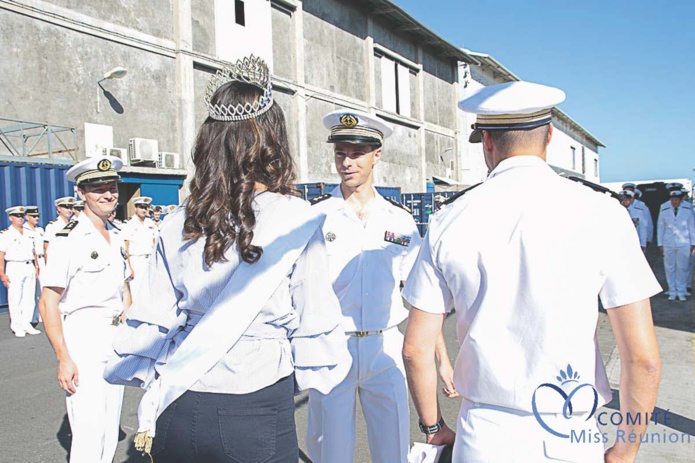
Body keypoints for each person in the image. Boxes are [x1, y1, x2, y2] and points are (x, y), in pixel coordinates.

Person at [104, 55, 351, 462]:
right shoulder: (296, 219)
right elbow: (315, 319)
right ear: (272, 138)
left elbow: (153, 315)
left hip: (179, 404)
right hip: (253, 408)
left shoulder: (179, 219)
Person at [402, 81, 662, 463]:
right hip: (569, 433)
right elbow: (643, 360)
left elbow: (415, 349)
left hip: (482, 436)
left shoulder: (448, 219)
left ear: (487, 142)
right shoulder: (604, 213)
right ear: (550, 136)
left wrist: (433, 428)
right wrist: (626, 448)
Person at [305, 109, 456, 463]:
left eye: (356, 153)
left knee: (393, 450)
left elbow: (424, 298)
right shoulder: (314, 216)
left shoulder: (399, 221)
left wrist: (443, 361)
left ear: (377, 154)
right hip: (331, 345)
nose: (346, 162)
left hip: (385, 346)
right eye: (340, 152)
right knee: (332, 453)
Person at [38, 155, 131, 463]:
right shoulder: (69, 239)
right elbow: (49, 300)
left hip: (114, 339)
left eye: (111, 186)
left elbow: (124, 288)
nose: (107, 194)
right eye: (97, 188)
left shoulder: (116, 234)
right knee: (89, 434)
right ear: (81, 193)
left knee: (107, 430)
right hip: (84, 340)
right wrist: (63, 357)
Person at [0, 206, 40, 337]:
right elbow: (1, 255)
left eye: (21, 216)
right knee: (15, 297)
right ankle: (17, 326)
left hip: (29, 265)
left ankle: (26, 323)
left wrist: (37, 267)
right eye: (17, 216)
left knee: (29, 297)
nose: (20, 219)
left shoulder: (29, 232)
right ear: (11, 218)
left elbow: (34, 252)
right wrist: (2, 274)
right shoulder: (5, 234)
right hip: (14, 266)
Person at [657, 190, 695, 301]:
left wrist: (693, 243)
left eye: (677, 199)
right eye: (672, 199)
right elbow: (661, 227)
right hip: (668, 242)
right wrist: (660, 243)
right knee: (670, 267)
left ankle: (682, 291)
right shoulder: (664, 207)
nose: (674, 202)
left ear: (680, 200)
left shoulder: (687, 209)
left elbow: (692, 227)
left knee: (682, 267)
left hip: (684, 242)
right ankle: (672, 290)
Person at [121, 196, 157, 299]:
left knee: (149, 290)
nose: (144, 210)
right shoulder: (129, 224)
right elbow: (125, 248)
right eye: (141, 207)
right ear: (136, 208)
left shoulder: (151, 223)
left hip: (149, 259)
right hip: (136, 261)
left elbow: (154, 243)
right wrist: (129, 268)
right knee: (136, 291)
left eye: (146, 207)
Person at [23, 206, 45, 325]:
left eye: (37, 216)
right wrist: (36, 266)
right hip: (33, 262)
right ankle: (32, 317)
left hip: (42, 260)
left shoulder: (40, 230)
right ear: (26, 217)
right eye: (33, 216)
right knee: (32, 292)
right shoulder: (24, 230)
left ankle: (40, 314)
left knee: (42, 290)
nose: (36, 218)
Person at [44, 196, 75, 263]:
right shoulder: (52, 226)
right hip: (58, 261)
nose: (69, 210)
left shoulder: (74, 225)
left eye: (71, 208)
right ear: (59, 208)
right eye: (66, 208)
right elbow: (46, 247)